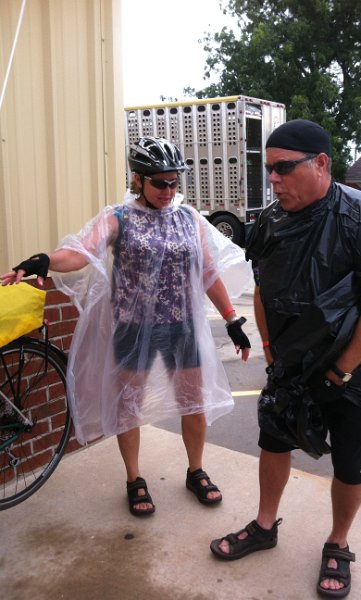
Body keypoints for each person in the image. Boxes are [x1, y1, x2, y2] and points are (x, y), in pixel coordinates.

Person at [209, 119, 361, 598]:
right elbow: (263, 288)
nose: (273, 179)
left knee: (351, 461)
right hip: (292, 360)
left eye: (284, 168)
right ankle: (265, 525)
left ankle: (338, 542)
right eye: (269, 170)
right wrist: (269, 348)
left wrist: (341, 371)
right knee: (274, 440)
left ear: (320, 163)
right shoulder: (271, 220)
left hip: (357, 368)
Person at [1, 136, 252, 517]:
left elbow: (207, 271)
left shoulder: (188, 218)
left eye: (174, 182)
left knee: (194, 403)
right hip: (133, 329)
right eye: (160, 182)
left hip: (182, 325)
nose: (168, 190)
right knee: (128, 406)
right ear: (138, 179)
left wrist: (232, 319)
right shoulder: (118, 217)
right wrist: (45, 260)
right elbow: (82, 252)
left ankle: (196, 470)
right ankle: (134, 479)